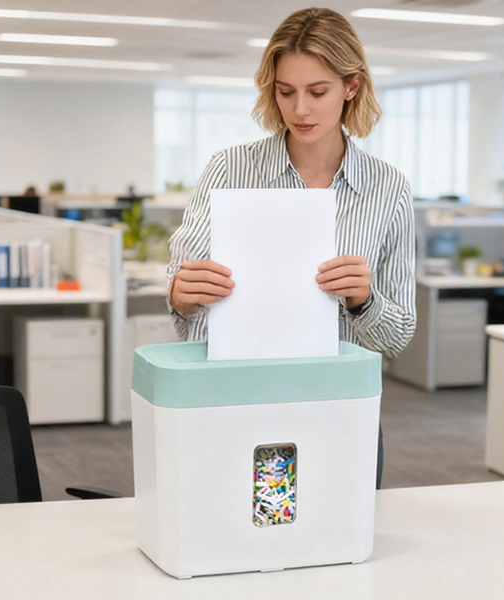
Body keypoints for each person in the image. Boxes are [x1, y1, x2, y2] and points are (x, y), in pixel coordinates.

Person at [165, 7, 415, 359]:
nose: (299, 110)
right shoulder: (229, 169)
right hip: (233, 394)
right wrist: (181, 294)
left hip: (336, 399)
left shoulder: (388, 188)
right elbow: (184, 309)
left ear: (351, 86)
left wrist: (364, 300)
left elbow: (397, 337)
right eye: (286, 92)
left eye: (317, 92)